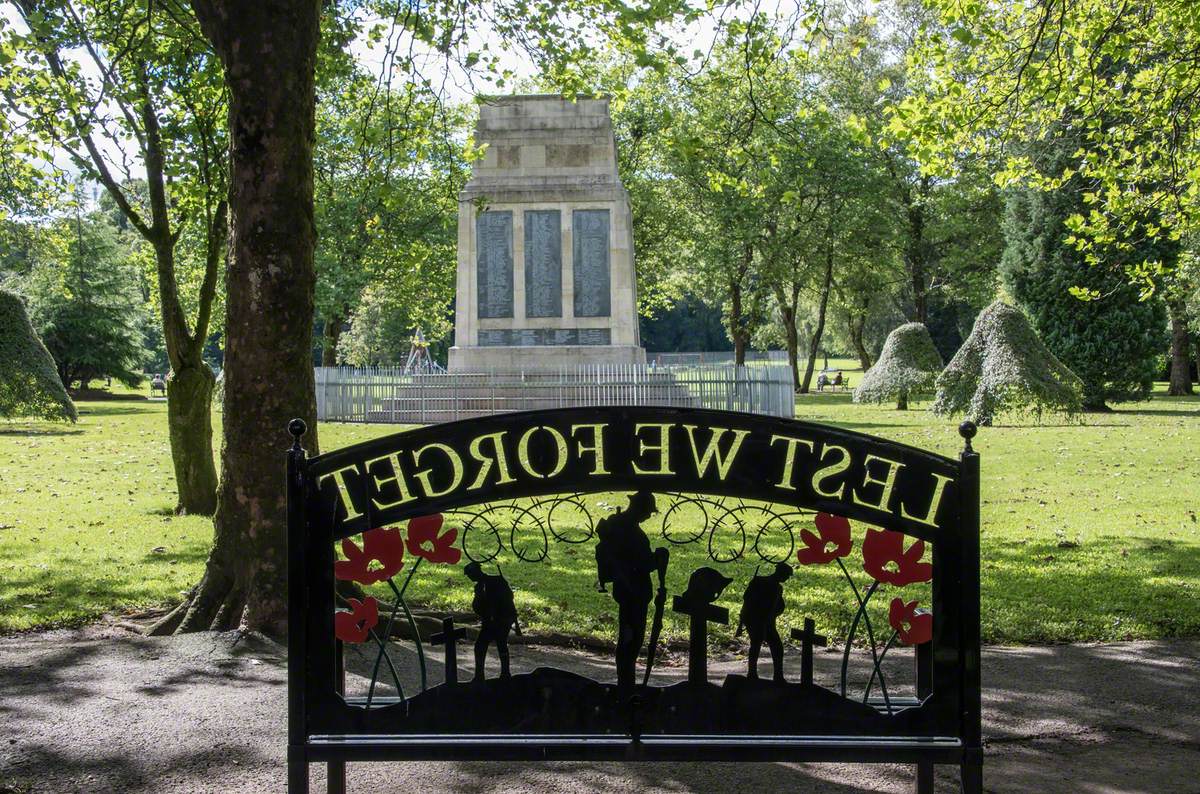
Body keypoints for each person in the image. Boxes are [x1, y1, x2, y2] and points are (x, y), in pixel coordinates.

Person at [595, 490, 667, 691]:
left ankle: (625, 681)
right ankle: (625, 683)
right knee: (631, 639)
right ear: (640, 509)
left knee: (630, 638)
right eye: (648, 512)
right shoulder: (629, 531)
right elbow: (639, 562)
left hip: (629, 591)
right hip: (633, 592)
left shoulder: (622, 525)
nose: (648, 516)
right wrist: (658, 559)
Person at [736, 562, 793, 681]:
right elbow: (748, 600)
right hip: (755, 620)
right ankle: (752, 673)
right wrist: (745, 620)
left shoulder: (774, 586)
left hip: (767, 622)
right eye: (787, 576)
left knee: (777, 646)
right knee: (756, 644)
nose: (787, 579)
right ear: (781, 573)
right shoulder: (763, 583)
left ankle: (777, 675)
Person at [464, 561, 518, 682]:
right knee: (495, 645)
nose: (470, 578)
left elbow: (507, 599)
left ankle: (493, 675)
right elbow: (478, 607)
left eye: (470, 575)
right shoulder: (491, 583)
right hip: (496, 620)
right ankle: (500, 674)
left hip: (499, 619)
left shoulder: (491, 583)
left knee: (487, 645)